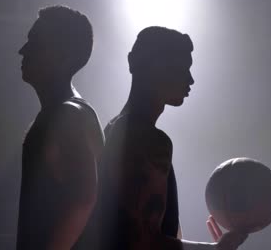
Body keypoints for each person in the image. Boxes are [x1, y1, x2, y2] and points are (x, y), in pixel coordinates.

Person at [94, 26, 248, 250]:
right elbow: (142, 242)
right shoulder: (148, 139)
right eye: (183, 68)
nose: (191, 79)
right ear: (157, 68)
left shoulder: (113, 129)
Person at [16, 5, 104, 250]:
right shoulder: (69, 113)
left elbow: (83, 198)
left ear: (61, 54)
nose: (22, 50)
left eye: (34, 42)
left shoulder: (68, 115)